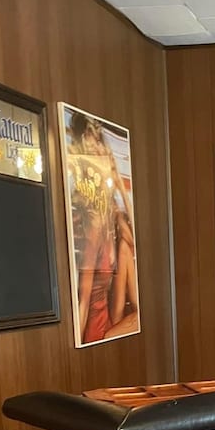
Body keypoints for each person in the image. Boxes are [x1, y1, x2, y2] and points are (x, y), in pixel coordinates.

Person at [67, 111, 139, 344]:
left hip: (108, 322)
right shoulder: (93, 224)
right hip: (98, 333)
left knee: (125, 247)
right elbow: (83, 300)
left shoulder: (108, 217)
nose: (100, 152)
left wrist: (119, 186)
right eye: (93, 146)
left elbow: (134, 240)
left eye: (99, 143)